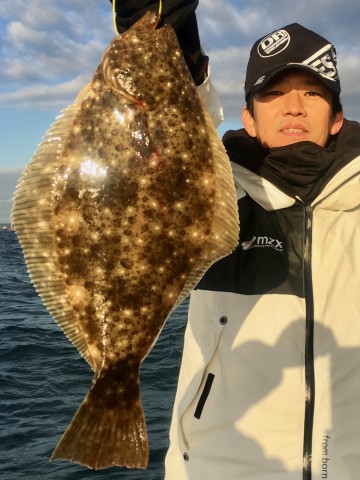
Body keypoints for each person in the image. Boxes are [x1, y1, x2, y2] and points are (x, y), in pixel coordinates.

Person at [112, 2, 360, 479]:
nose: (293, 105)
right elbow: (172, 117)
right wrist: (172, 29)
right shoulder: (214, 192)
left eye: (312, 92)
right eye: (274, 93)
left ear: (336, 117)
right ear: (247, 117)